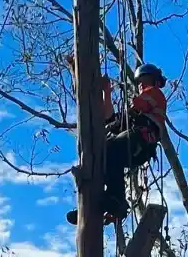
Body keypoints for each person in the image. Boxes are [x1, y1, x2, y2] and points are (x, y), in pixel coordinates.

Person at [66, 63, 168, 224]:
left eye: (145, 79)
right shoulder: (140, 106)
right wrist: (106, 91)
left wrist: (125, 97)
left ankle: (116, 199)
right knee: (107, 157)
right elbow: (112, 119)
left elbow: (136, 107)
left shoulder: (155, 94)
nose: (141, 84)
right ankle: (101, 203)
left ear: (154, 81)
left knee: (109, 148)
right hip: (135, 144)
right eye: (139, 82)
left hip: (142, 140)